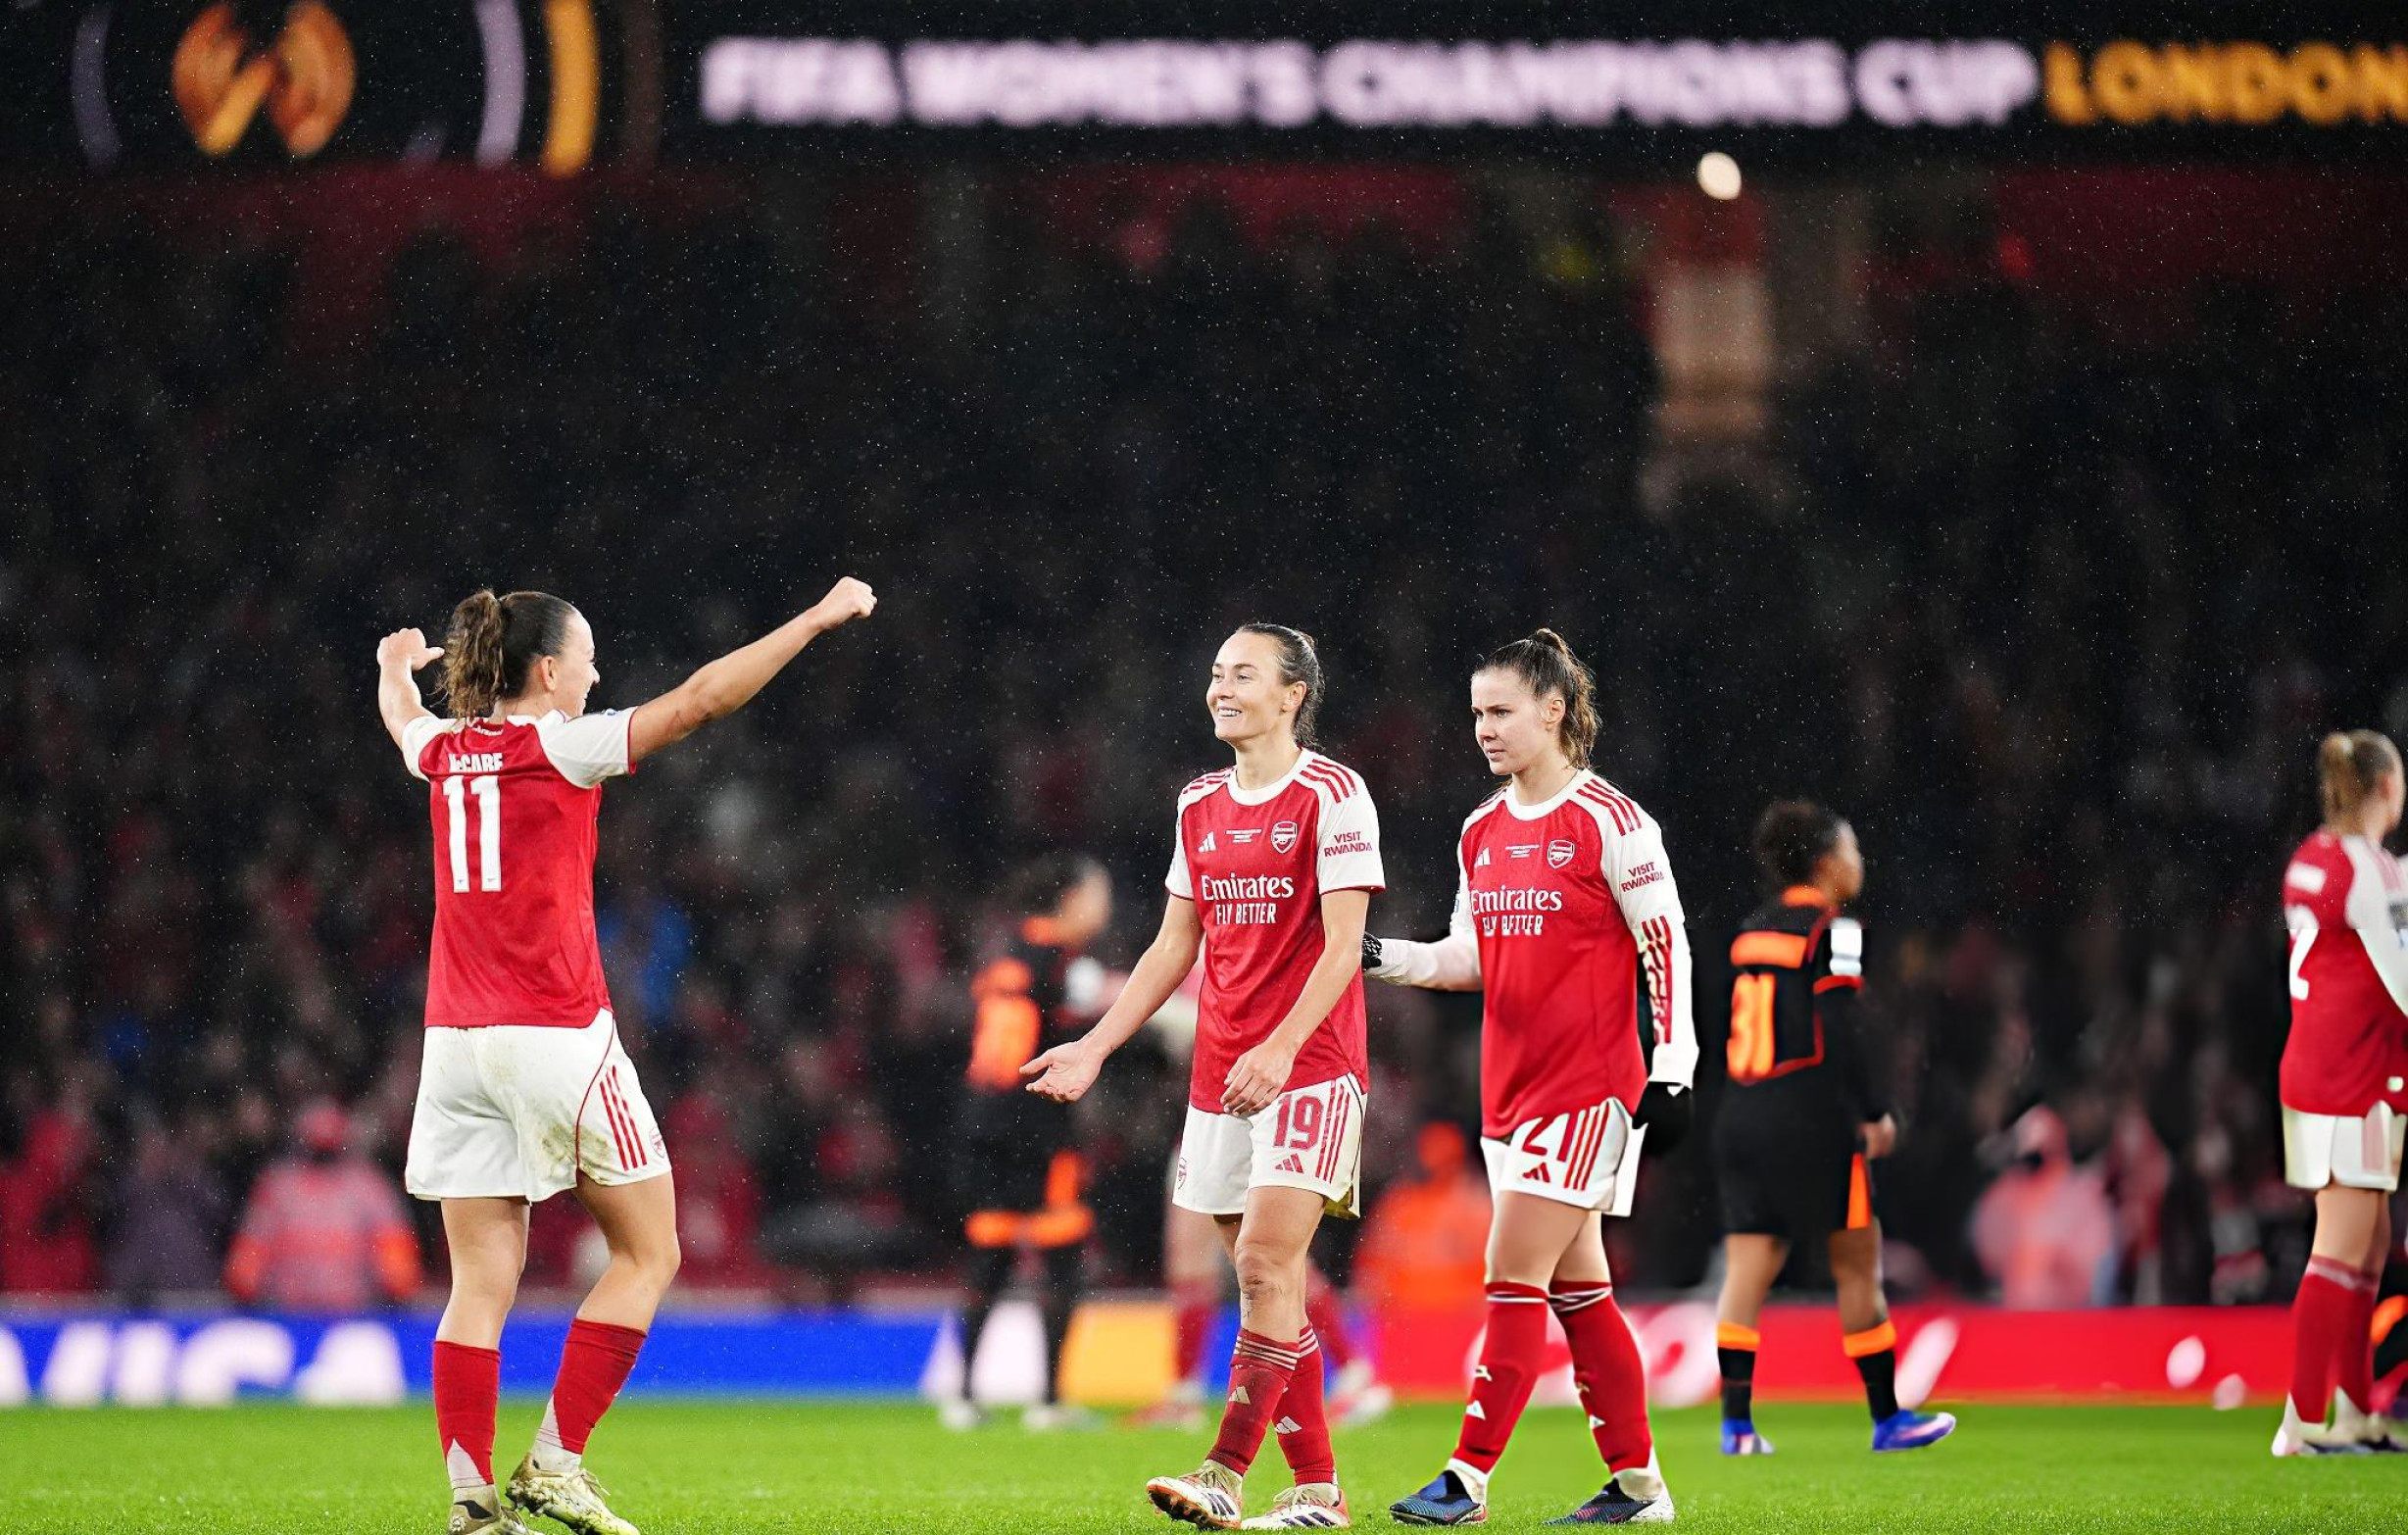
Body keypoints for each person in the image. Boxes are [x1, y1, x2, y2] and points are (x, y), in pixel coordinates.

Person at [379, 577, 876, 1535]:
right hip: (556, 1035)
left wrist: (394, 667)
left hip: (453, 1046)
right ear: (553, 669)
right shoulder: (562, 745)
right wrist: (810, 619)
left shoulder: (445, 752)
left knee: (478, 1287)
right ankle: (557, 1463)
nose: (600, 672)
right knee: (650, 1250)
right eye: (590, 656)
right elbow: (701, 700)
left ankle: (469, 1502)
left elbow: (404, 716)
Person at [1026, 624, 1382, 1530]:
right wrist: (1097, 1045)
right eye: (1216, 673)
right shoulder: (1198, 801)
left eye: (1244, 674)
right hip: (1219, 1074)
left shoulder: (1333, 795)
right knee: (1266, 1282)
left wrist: (1280, 1046)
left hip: (1309, 1069)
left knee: (1266, 1265)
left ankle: (1224, 1472)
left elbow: (1345, 947)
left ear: (1293, 693)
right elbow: (1172, 944)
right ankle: (1317, 1492)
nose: (1221, 688)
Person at [1367, 629, 1694, 1527]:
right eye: (1476, 713)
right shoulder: (1480, 829)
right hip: (1508, 1096)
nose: (1484, 728)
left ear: (1554, 711)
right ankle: (1639, 1487)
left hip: (1589, 1092)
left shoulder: (1613, 823)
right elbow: (1470, 957)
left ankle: (1465, 1479)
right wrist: (1382, 956)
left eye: (1501, 710)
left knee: (1509, 1273)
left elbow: (1666, 948)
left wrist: (1673, 1069)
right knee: (1581, 1298)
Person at [1707, 803, 1954, 1457]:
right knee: (1855, 1264)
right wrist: (1874, 1110)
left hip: (1740, 1112)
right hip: (1807, 1116)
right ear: (1824, 863)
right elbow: (1840, 1026)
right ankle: (1886, 1418)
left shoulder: (1748, 932)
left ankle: (1736, 1426)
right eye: (1850, 850)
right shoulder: (1833, 930)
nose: (1858, 863)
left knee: (1746, 1270)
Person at [2270, 729, 2408, 1456]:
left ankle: (2354, 1412)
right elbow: (2402, 981)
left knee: (2368, 1240)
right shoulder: (2369, 868)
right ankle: (2303, 1419)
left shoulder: (2312, 856)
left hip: (2314, 1066)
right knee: (2342, 1244)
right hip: (2354, 1075)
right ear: (2387, 787)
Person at [944, 852, 1115, 1432]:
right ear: (1069, 900)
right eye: (1097, 894)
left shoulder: (1007, 954)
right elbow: (1098, 1003)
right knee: (1064, 1261)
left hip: (983, 1124)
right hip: (1038, 1128)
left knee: (988, 1257)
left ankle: (963, 1396)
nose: (1104, 907)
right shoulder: (1064, 965)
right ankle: (1049, 1400)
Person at [223, 1101, 419, 1312]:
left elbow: (399, 1273)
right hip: (288, 1316)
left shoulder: (369, 1187)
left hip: (354, 1318)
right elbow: (245, 1270)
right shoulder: (278, 1187)